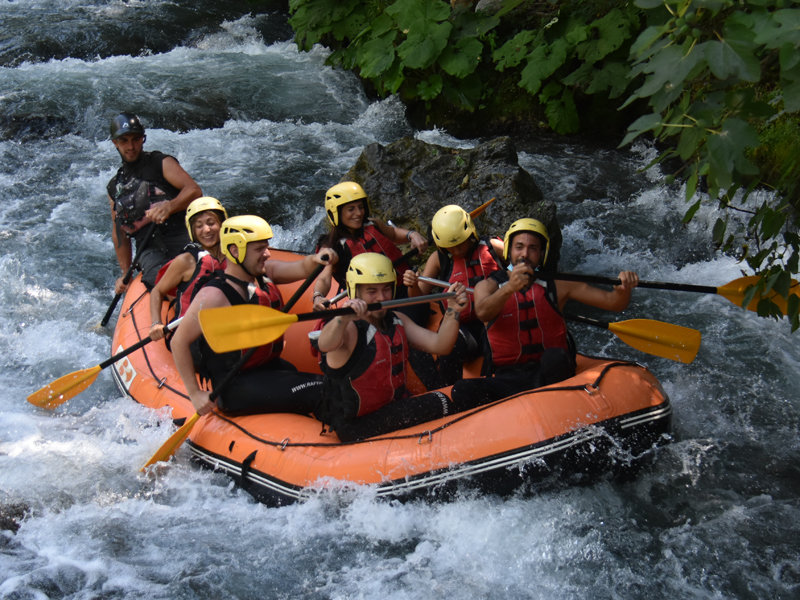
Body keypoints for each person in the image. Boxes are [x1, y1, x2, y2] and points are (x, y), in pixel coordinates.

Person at [450, 218, 639, 409]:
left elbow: (613, 303)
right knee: (461, 389)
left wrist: (623, 288)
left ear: (542, 253)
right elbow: (483, 313)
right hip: (506, 378)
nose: (525, 254)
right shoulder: (487, 286)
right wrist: (509, 288)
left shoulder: (558, 285)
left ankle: (564, 409)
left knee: (555, 357)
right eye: (519, 247)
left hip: (549, 374)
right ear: (509, 251)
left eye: (533, 248)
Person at [170, 215, 336, 417]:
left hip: (268, 367)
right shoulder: (214, 295)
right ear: (234, 251)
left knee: (331, 381)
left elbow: (302, 267)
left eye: (266, 247)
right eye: (259, 249)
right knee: (322, 390)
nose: (267, 254)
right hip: (235, 385)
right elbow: (178, 341)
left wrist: (317, 258)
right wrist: (195, 394)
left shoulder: (266, 274)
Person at [315, 253, 469, 442]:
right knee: (441, 401)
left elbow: (441, 346)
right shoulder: (348, 328)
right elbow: (325, 344)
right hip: (357, 424)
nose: (381, 297)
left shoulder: (397, 320)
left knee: (459, 394)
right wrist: (342, 317)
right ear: (355, 291)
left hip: (394, 407)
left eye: (387, 288)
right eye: (372, 291)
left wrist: (453, 309)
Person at [403, 205, 505, 384]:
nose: (457, 251)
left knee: (495, 341)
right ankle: (448, 392)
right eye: (451, 247)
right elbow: (418, 298)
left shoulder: (494, 247)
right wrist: (412, 285)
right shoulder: (438, 259)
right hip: (464, 327)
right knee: (454, 342)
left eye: (461, 244)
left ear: (471, 234)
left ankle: (496, 386)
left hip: (497, 320)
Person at [106, 112, 202, 292]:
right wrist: (126, 274)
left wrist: (169, 207)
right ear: (115, 143)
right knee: (160, 280)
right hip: (148, 247)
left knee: (199, 269)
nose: (131, 146)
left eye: (135, 139)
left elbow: (194, 190)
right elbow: (120, 233)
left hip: (179, 233)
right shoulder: (114, 187)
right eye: (124, 140)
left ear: (143, 139)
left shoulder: (160, 162)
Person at [310, 181, 427, 310]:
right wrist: (318, 296)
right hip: (369, 304)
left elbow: (393, 234)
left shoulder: (372, 225)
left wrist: (412, 235)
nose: (359, 213)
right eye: (351, 209)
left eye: (360, 207)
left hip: (403, 289)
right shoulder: (331, 246)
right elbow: (324, 279)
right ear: (335, 213)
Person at [148, 197, 228, 342]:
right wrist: (156, 323)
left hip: (226, 324)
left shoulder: (234, 254)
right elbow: (157, 291)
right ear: (192, 230)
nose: (206, 230)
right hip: (192, 334)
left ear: (222, 224)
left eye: (211, 223)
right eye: (199, 226)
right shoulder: (186, 261)